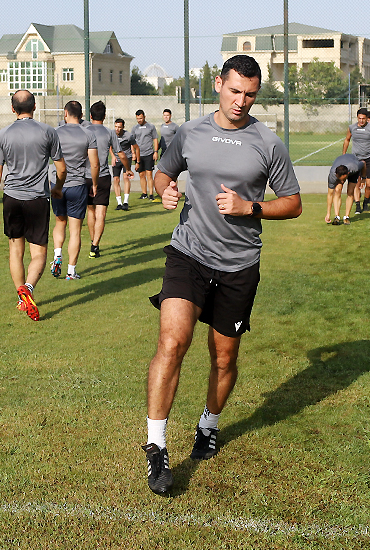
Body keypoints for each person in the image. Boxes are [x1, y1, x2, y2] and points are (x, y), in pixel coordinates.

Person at [142, 55, 302, 495]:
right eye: (234, 91)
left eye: (250, 95)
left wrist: (251, 207)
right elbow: (162, 174)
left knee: (224, 358)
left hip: (238, 265)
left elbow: (293, 203)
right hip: (188, 253)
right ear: (218, 84)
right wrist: (165, 190)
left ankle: (209, 424)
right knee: (172, 342)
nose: (241, 101)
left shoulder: (268, 143)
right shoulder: (190, 131)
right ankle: (156, 446)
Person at [0, 90, 66, 321]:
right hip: (37, 199)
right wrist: (58, 187)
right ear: (35, 106)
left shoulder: (2, 134)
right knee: (38, 253)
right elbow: (61, 168)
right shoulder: (48, 132)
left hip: (11, 198)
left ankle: (22, 300)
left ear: (12, 109)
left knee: (15, 250)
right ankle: (28, 288)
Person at [51, 101, 99, 281]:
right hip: (77, 185)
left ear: (65, 113)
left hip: (57, 184)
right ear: (81, 114)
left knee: (59, 222)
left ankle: (57, 254)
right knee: (75, 231)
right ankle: (71, 271)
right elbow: (94, 164)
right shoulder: (88, 134)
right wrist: (94, 184)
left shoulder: (55, 132)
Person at [85, 101, 132, 258]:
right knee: (101, 212)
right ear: (104, 116)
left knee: (90, 211)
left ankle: (93, 241)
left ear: (90, 115)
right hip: (103, 175)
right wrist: (128, 168)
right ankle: (95, 245)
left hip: (85, 176)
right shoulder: (109, 132)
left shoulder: (84, 130)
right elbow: (121, 154)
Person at [342, 107, 370, 214]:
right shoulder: (352, 128)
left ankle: (366, 202)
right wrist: (344, 154)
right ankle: (357, 205)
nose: (361, 121)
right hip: (356, 159)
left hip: (369, 158)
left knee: (369, 183)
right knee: (357, 182)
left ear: (366, 118)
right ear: (357, 118)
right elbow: (347, 140)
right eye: (359, 118)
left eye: (363, 119)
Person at [326, 153, 363, 225]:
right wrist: (328, 213)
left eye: (344, 179)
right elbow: (330, 194)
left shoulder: (355, 167)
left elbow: (363, 163)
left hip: (353, 168)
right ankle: (337, 217)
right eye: (341, 180)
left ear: (347, 174)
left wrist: (363, 179)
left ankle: (346, 217)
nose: (343, 182)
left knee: (350, 192)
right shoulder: (333, 175)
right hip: (341, 167)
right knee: (337, 190)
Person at [131, 110, 159, 201]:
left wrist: (155, 152)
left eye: (141, 118)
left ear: (144, 117)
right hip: (139, 155)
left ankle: (151, 194)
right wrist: (133, 153)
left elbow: (155, 139)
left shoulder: (151, 127)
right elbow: (132, 142)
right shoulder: (135, 128)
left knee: (149, 174)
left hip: (148, 153)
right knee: (141, 175)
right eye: (137, 118)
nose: (139, 120)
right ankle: (144, 193)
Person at [111, 118, 136, 210]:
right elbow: (110, 147)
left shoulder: (128, 135)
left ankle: (126, 202)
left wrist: (133, 154)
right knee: (116, 179)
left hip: (126, 158)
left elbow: (133, 145)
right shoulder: (112, 134)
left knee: (126, 177)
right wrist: (113, 156)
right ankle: (119, 203)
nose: (117, 129)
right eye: (116, 126)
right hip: (117, 159)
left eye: (119, 127)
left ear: (123, 127)